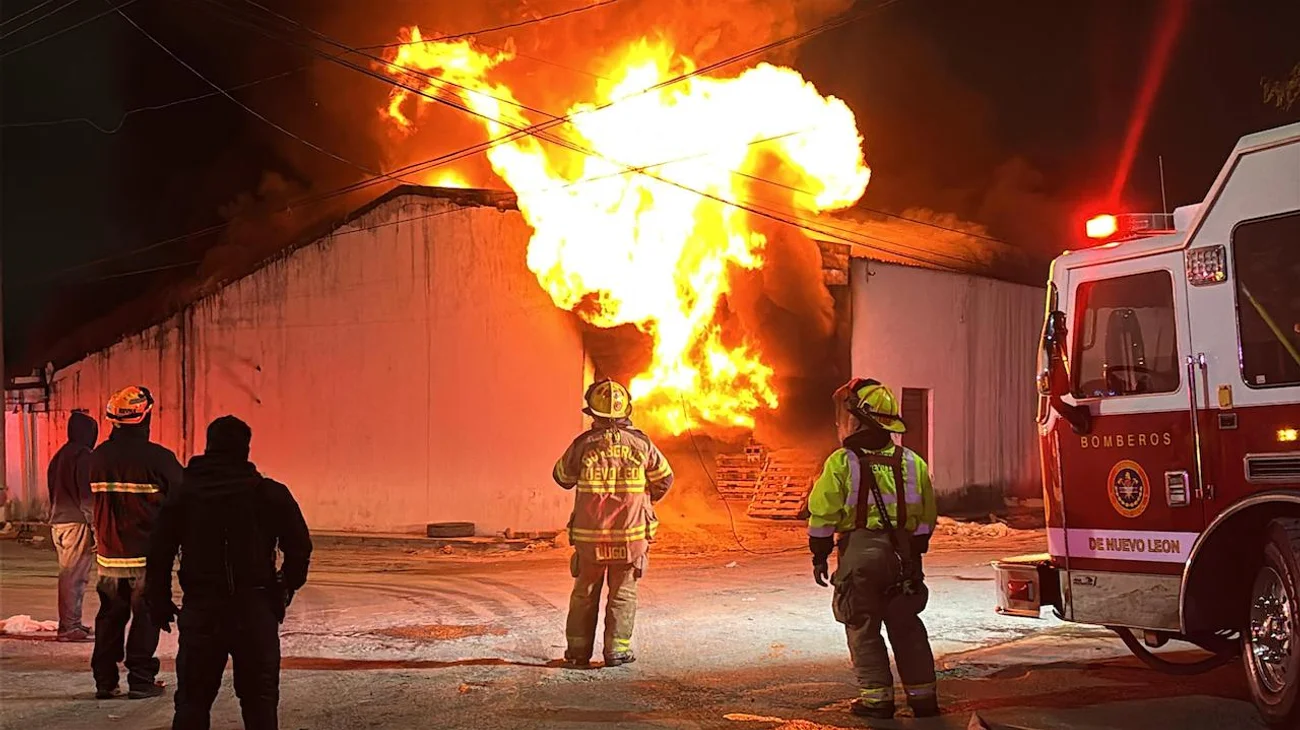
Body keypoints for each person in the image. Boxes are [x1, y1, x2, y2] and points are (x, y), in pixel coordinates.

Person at [147, 415, 312, 730]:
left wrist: (159, 600)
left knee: (193, 700)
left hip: (202, 609)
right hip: (254, 608)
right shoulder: (269, 493)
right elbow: (299, 547)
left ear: (209, 447)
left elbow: (159, 552)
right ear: (245, 450)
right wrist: (285, 587)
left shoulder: (183, 495)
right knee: (259, 701)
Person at [807, 378, 939, 719]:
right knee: (906, 626)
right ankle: (923, 699)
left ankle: (877, 700)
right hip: (904, 556)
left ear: (858, 420)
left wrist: (819, 554)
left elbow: (823, 513)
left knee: (862, 623)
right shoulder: (913, 463)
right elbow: (926, 517)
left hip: (861, 555)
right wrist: (913, 555)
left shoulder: (842, 462)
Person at [552, 379, 674, 668]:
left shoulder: (583, 444)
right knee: (623, 594)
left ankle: (578, 654)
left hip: (590, 538)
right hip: (630, 538)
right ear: (626, 410)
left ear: (593, 413)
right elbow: (665, 479)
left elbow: (562, 477)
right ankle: (616, 652)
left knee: (584, 594)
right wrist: (642, 500)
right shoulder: (642, 444)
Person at [89, 386, 183, 700]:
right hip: (147, 557)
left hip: (109, 556)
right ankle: (141, 680)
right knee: (146, 616)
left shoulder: (97, 458)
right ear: (144, 416)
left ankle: (105, 681)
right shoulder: (159, 459)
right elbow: (184, 501)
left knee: (109, 617)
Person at [47, 410, 99, 642]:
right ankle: (69, 627)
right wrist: (95, 525)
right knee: (74, 576)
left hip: (58, 521)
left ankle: (71, 623)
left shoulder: (60, 455)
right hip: (75, 522)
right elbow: (86, 496)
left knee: (68, 574)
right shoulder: (83, 456)